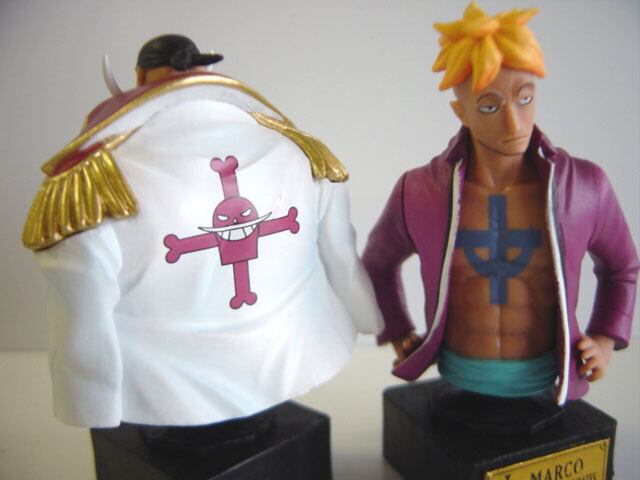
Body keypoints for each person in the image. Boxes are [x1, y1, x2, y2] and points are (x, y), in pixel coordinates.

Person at [23, 35, 382, 435]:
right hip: (293, 353)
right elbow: (341, 257)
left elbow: (81, 308)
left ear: (140, 76)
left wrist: (91, 400)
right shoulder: (299, 149)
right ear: (206, 69)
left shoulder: (90, 183)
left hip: (167, 389)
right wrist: (367, 316)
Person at [362, 2, 638, 405]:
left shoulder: (584, 187)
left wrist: (605, 338)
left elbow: (622, 268)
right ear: (462, 112)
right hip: (458, 375)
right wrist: (398, 329)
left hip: (545, 377)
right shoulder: (421, 191)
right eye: (490, 106)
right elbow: (378, 263)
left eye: (525, 99)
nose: (514, 124)